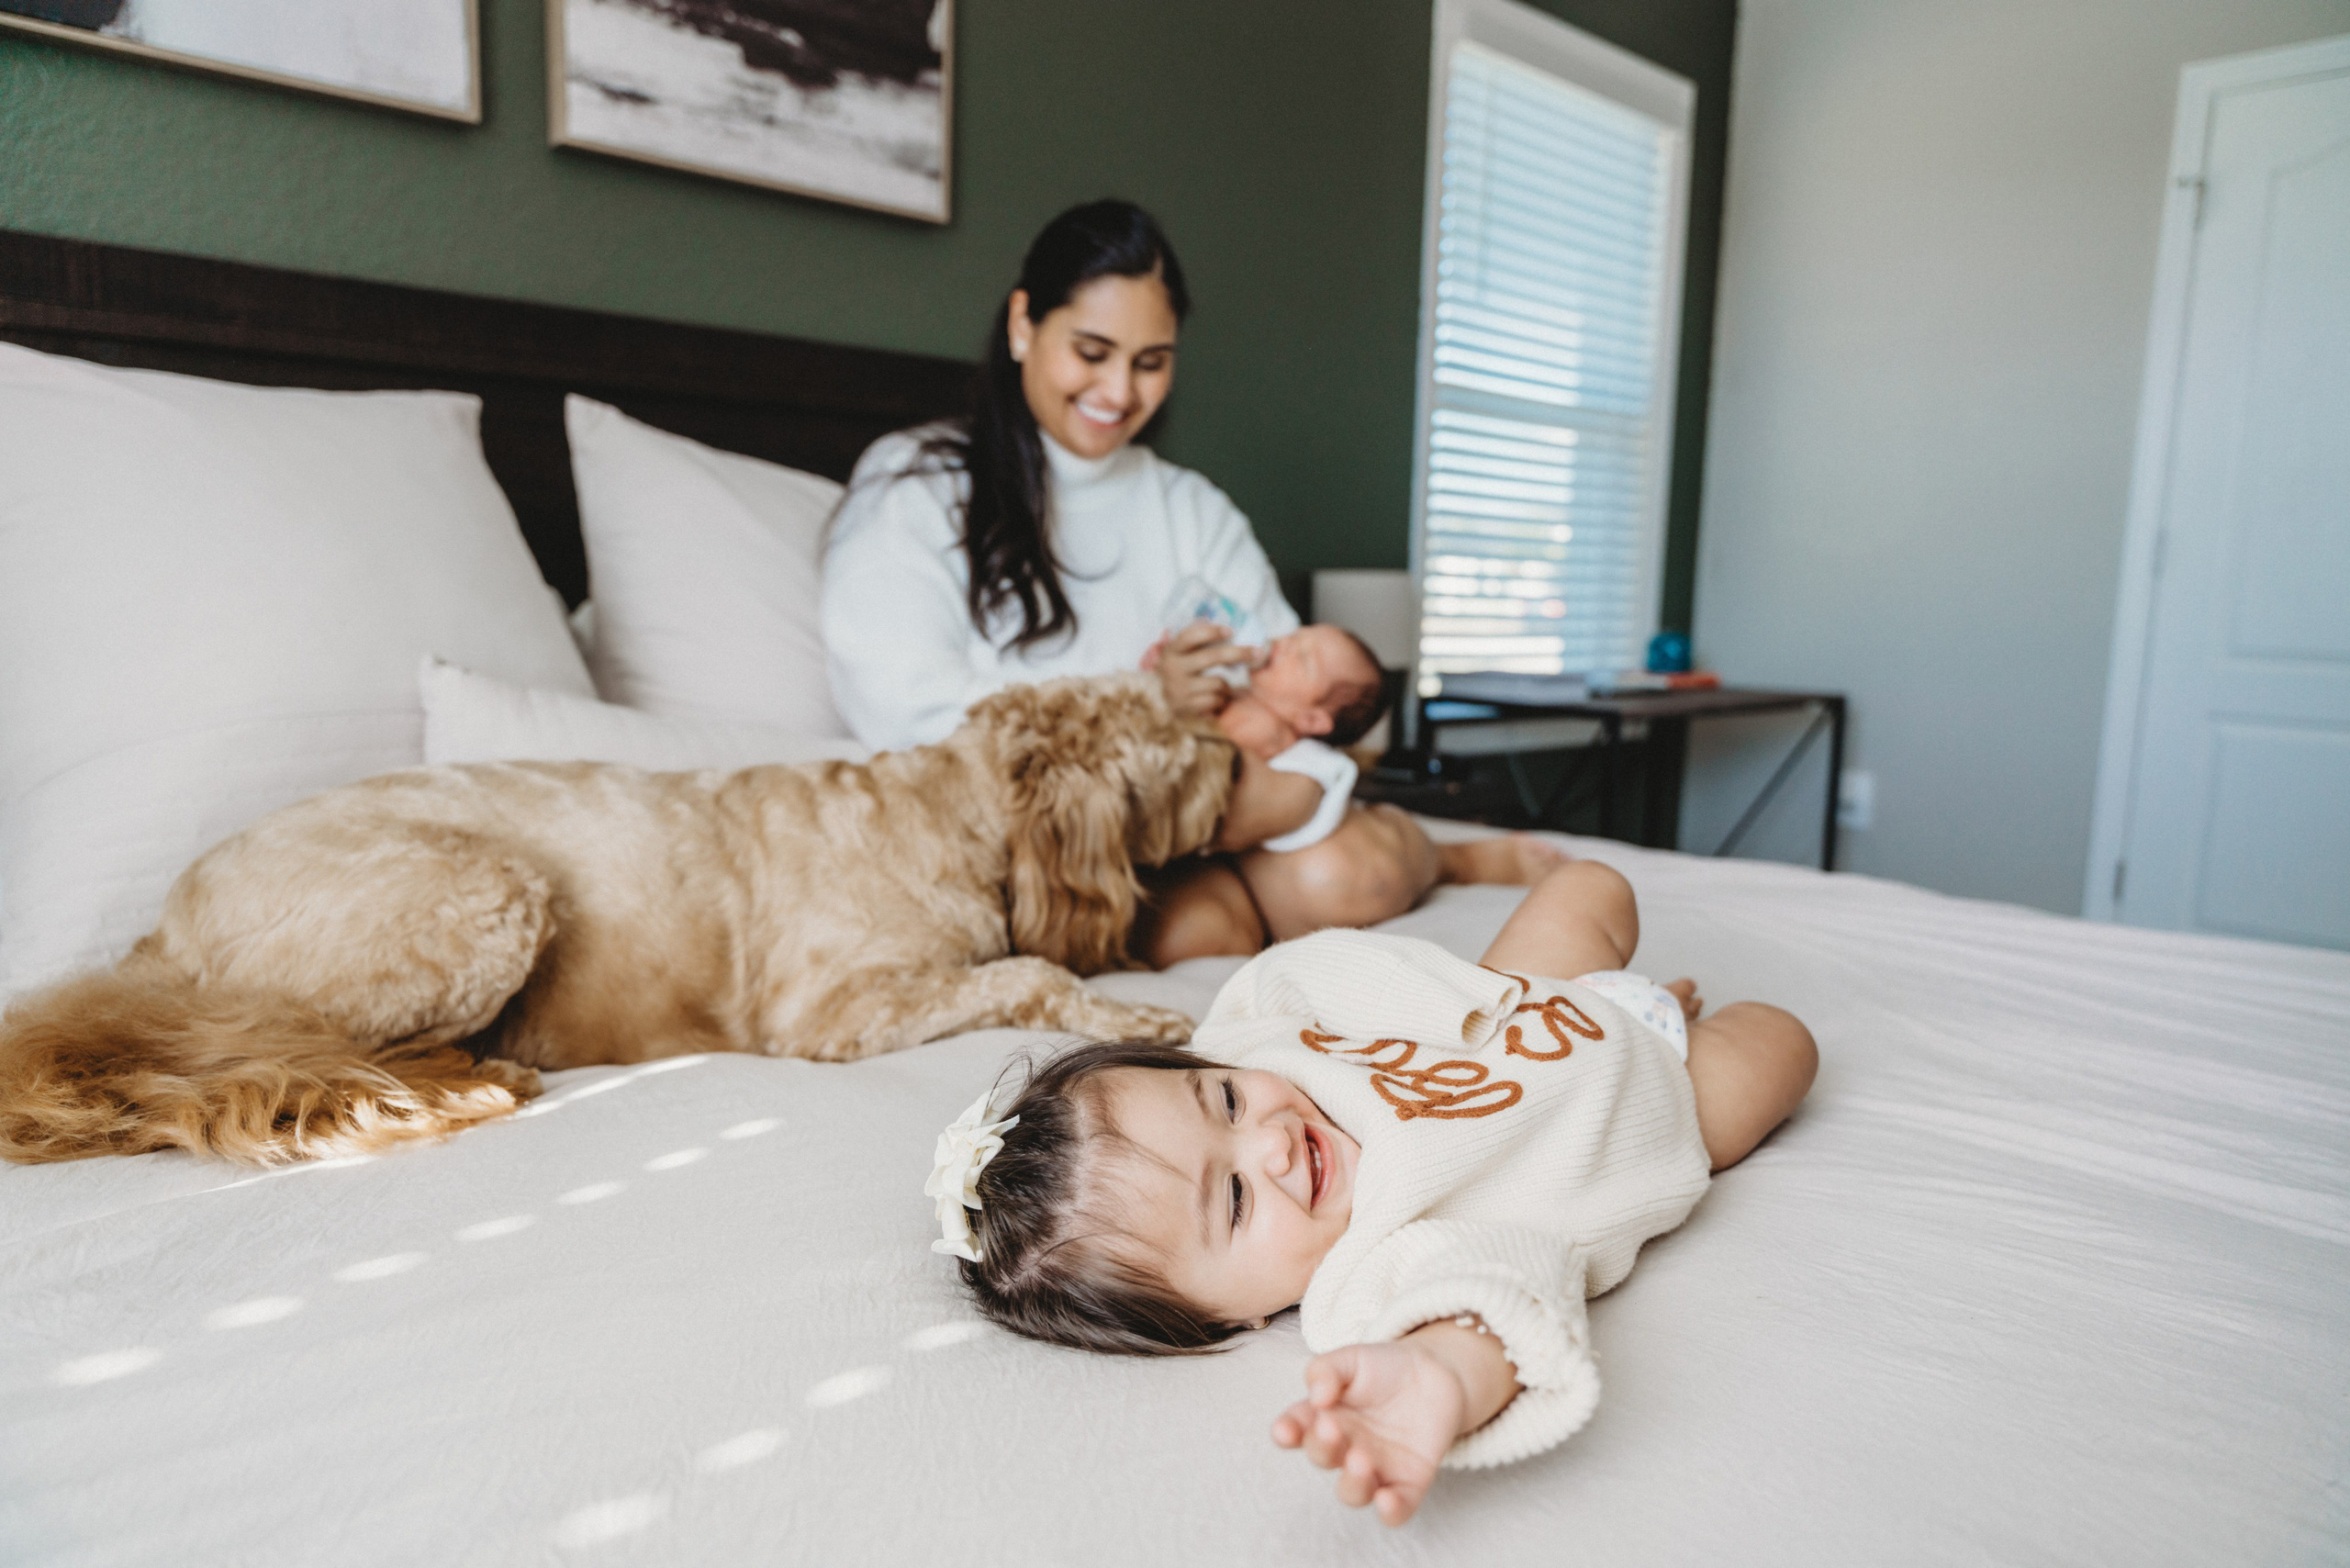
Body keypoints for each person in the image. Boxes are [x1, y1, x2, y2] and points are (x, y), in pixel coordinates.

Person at [922, 859, 1818, 1526]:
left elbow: (1300, 967)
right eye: (1232, 1202)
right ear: (1225, 1320)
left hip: (1523, 1002)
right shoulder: (1364, 1269)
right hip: (1655, 1100)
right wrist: (1437, 1377)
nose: (1267, 1140)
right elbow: (1493, 1297)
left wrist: (1478, 1004)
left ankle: (1634, 999)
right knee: (1784, 1042)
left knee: (1589, 885)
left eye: (1224, 1100)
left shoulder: (1256, 1039)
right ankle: (1674, 1024)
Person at [822, 198, 1558, 960]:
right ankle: (1369, 869)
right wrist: (1146, 705)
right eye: (1092, 351)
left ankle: (1446, 857)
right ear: (1022, 324)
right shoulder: (919, 489)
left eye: (1151, 362)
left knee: (1339, 879)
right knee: (1207, 931)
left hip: (1206, 812)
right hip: (1048, 824)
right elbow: (902, 708)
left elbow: (1290, 692)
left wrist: (1246, 754)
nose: (1119, 392)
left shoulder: (1189, 508)